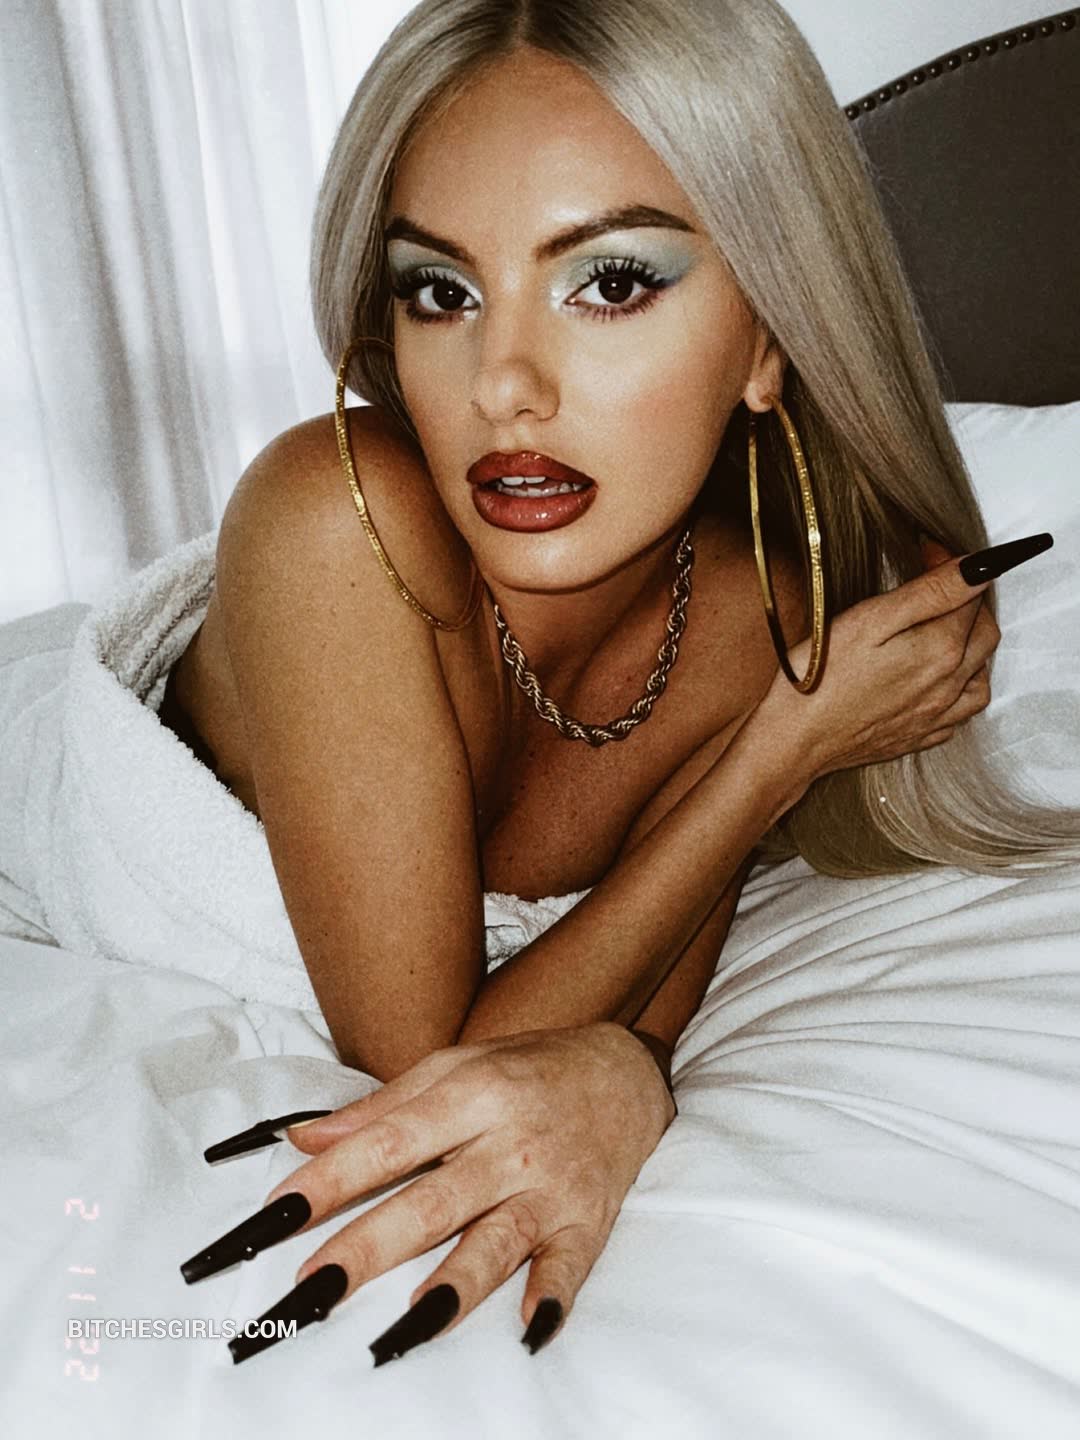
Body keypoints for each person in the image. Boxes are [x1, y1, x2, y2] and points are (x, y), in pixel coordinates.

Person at [172, 0, 1078, 1366]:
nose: (504, 387)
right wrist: (778, 757)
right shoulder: (333, 514)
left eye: (608, 283)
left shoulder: (760, 620)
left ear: (769, 338)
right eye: (442, 293)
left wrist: (631, 1060)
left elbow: (592, 1027)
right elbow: (433, 1073)